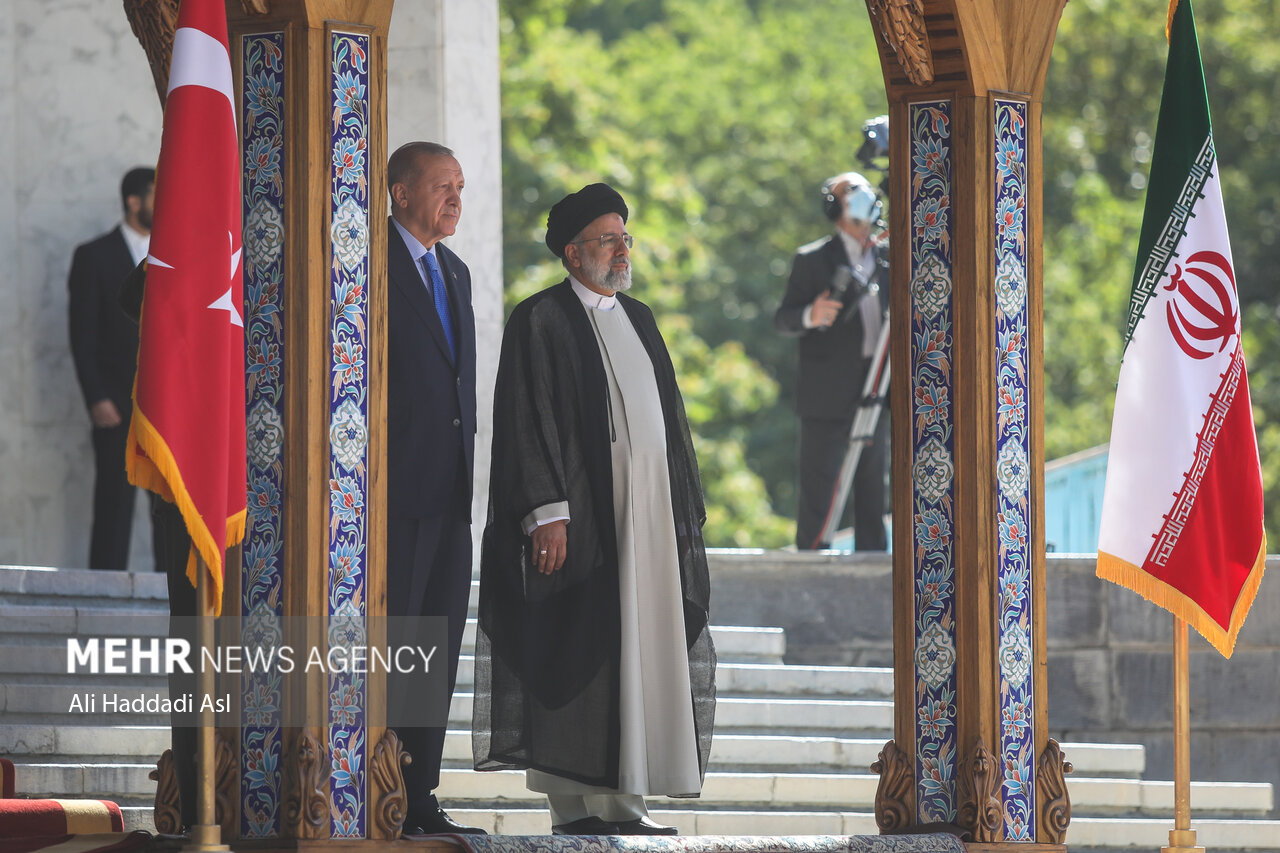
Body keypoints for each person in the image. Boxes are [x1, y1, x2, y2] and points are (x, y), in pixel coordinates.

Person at [473, 183, 716, 837]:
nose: (621, 250)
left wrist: (680, 518)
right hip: (582, 527)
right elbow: (529, 417)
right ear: (573, 252)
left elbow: (668, 423)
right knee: (579, 650)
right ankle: (578, 809)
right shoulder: (541, 317)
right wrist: (546, 511)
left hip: (646, 526)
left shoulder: (638, 318)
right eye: (608, 239)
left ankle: (626, 805)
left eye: (624, 237)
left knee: (637, 654)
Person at [384, 141, 484, 836]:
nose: (454, 198)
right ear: (400, 193)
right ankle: (376, 785)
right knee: (397, 643)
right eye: (441, 185)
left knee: (437, 644)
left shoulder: (456, 271)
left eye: (460, 186)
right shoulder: (366, 262)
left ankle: (419, 793)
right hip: (390, 493)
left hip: (450, 493)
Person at [775, 172, 890, 551]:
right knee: (819, 493)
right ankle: (810, 573)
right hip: (827, 397)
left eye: (863, 188)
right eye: (849, 191)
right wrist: (811, 313)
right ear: (835, 207)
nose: (861, 196)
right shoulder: (812, 260)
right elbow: (783, 319)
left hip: (879, 389)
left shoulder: (891, 255)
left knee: (874, 492)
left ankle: (876, 576)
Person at [68, 166, 157, 571]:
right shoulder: (94, 256)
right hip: (116, 404)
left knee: (169, 511)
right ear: (133, 202)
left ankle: (173, 597)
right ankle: (101, 596)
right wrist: (96, 397)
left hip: (165, 407)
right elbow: (81, 335)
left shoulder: (175, 252)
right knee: (113, 506)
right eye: (157, 195)